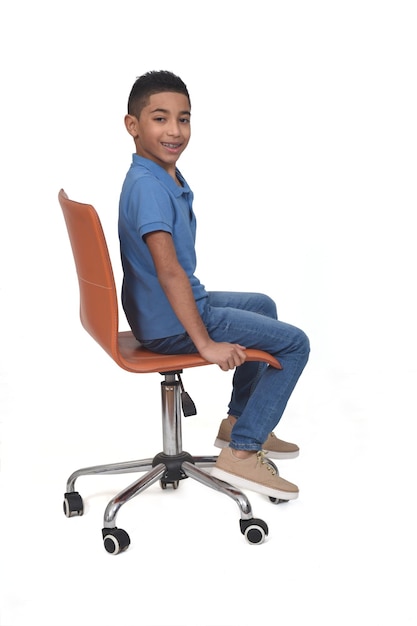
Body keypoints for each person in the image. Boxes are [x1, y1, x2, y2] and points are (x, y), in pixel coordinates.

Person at [118, 70, 310, 501]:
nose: (174, 130)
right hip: (173, 323)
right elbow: (169, 272)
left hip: (162, 312)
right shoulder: (149, 187)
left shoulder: (160, 175)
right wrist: (204, 343)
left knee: (263, 304)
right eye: (160, 118)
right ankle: (242, 452)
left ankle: (237, 421)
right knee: (296, 344)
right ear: (133, 126)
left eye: (183, 119)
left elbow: (173, 274)